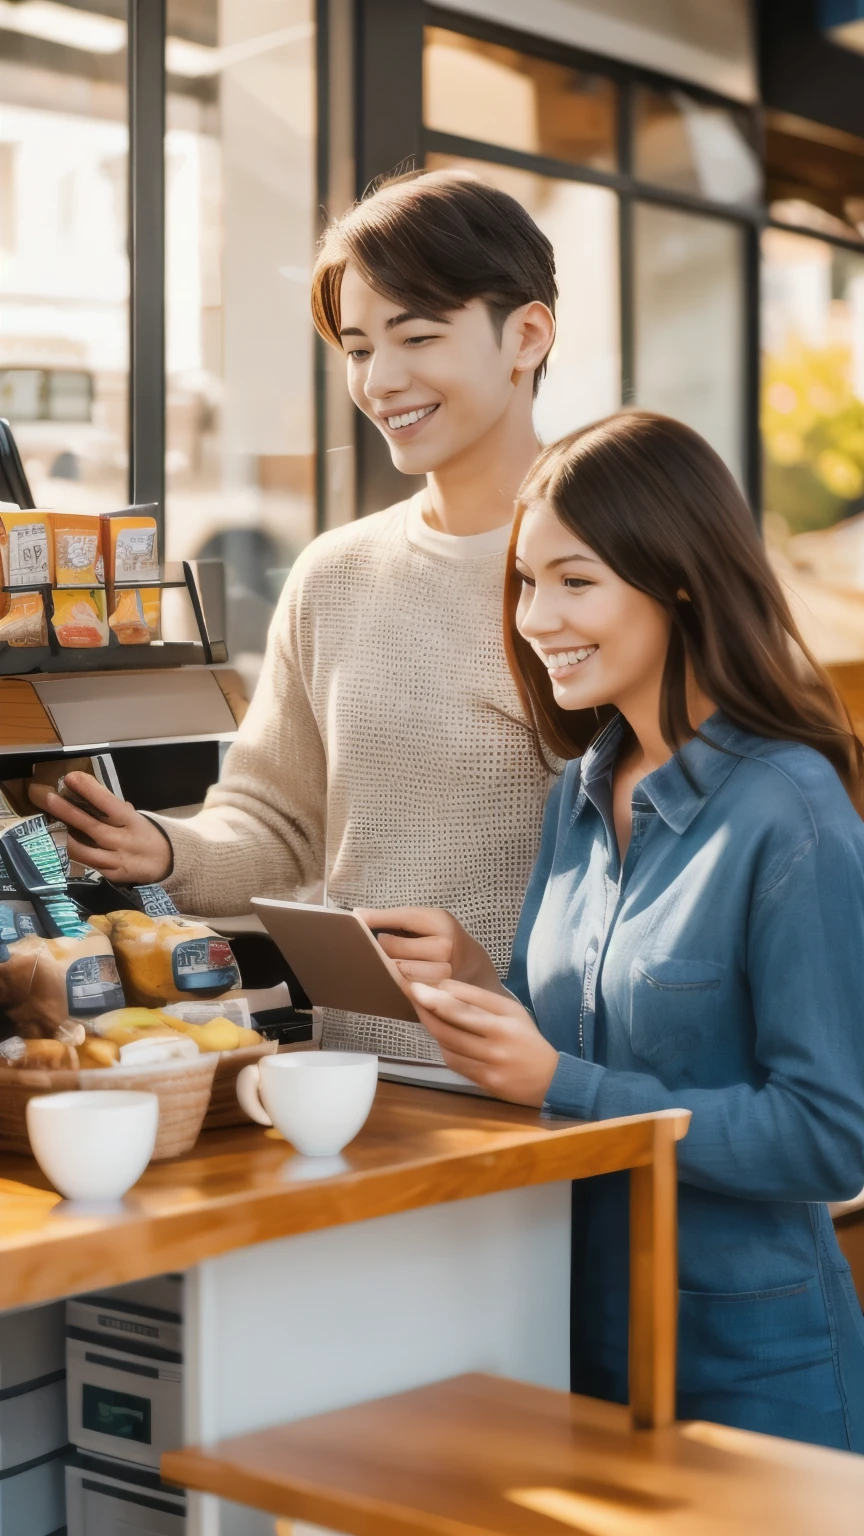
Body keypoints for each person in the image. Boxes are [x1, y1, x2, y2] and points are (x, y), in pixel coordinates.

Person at [364, 410, 864, 1448]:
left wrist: (561, 1085)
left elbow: (829, 1136)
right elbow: (576, 1044)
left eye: (575, 580)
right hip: (575, 1342)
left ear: (678, 582)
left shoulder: (791, 815)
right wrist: (475, 981)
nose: (537, 615)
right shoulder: (579, 796)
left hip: (752, 1373)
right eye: (525, 580)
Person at [30, 170, 558, 1060]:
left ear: (527, 335)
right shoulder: (337, 575)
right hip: (363, 1074)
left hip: (557, 1081)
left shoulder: (617, 565)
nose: (382, 379)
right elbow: (279, 821)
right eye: (356, 349)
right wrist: (162, 848)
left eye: (417, 335)